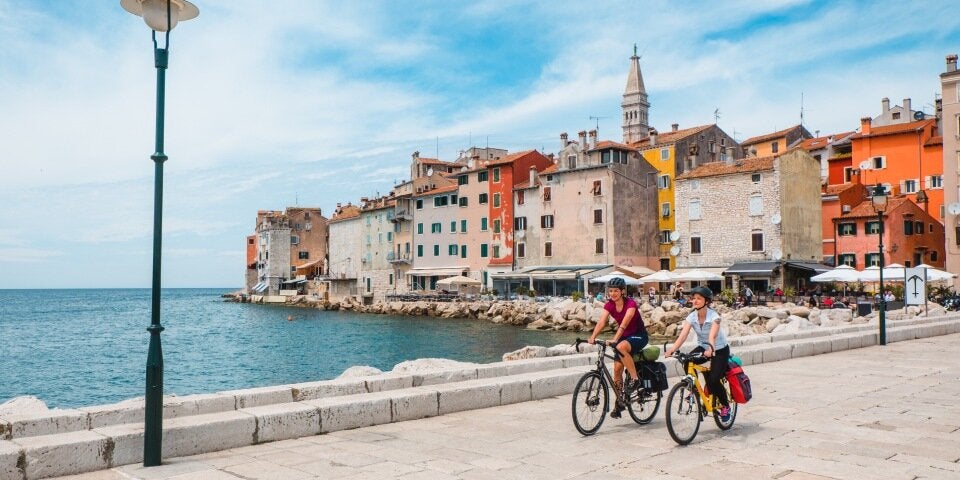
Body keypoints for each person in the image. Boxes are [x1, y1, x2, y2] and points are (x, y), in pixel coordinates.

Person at [664, 286, 732, 421]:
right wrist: (672, 349)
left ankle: (725, 406)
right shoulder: (691, 317)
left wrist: (711, 349)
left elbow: (712, 335)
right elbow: (683, 336)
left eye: (698, 299)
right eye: (693, 298)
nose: (694, 301)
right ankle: (694, 390)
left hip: (719, 349)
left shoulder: (715, 317)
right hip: (703, 346)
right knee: (687, 360)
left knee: (713, 381)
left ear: (706, 301)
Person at [587, 277, 649, 419]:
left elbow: (624, 324)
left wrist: (615, 339)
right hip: (624, 338)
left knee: (620, 346)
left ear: (622, 291)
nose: (613, 293)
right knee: (616, 369)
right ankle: (619, 401)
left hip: (639, 336)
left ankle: (635, 379)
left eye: (616, 291)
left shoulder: (631, 304)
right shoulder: (609, 305)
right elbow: (602, 321)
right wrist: (593, 336)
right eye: (610, 291)